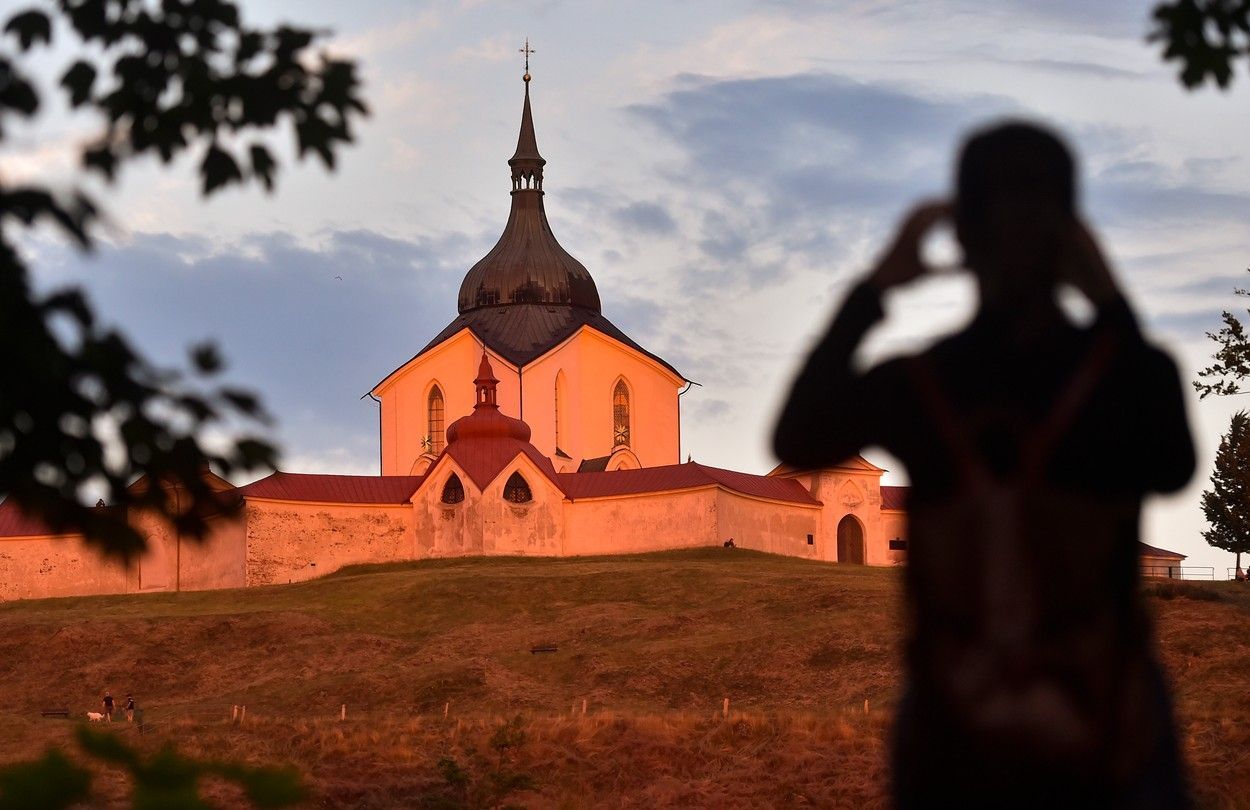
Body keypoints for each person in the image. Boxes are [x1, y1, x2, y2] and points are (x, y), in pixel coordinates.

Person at [774, 121, 1194, 808]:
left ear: (960, 239)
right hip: (1108, 724)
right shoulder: (1124, 377)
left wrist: (878, 286)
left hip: (955, 730)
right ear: (1070, 238)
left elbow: (801, 430)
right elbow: (1173, 461)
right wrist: (1110, 296)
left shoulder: (921, 381)